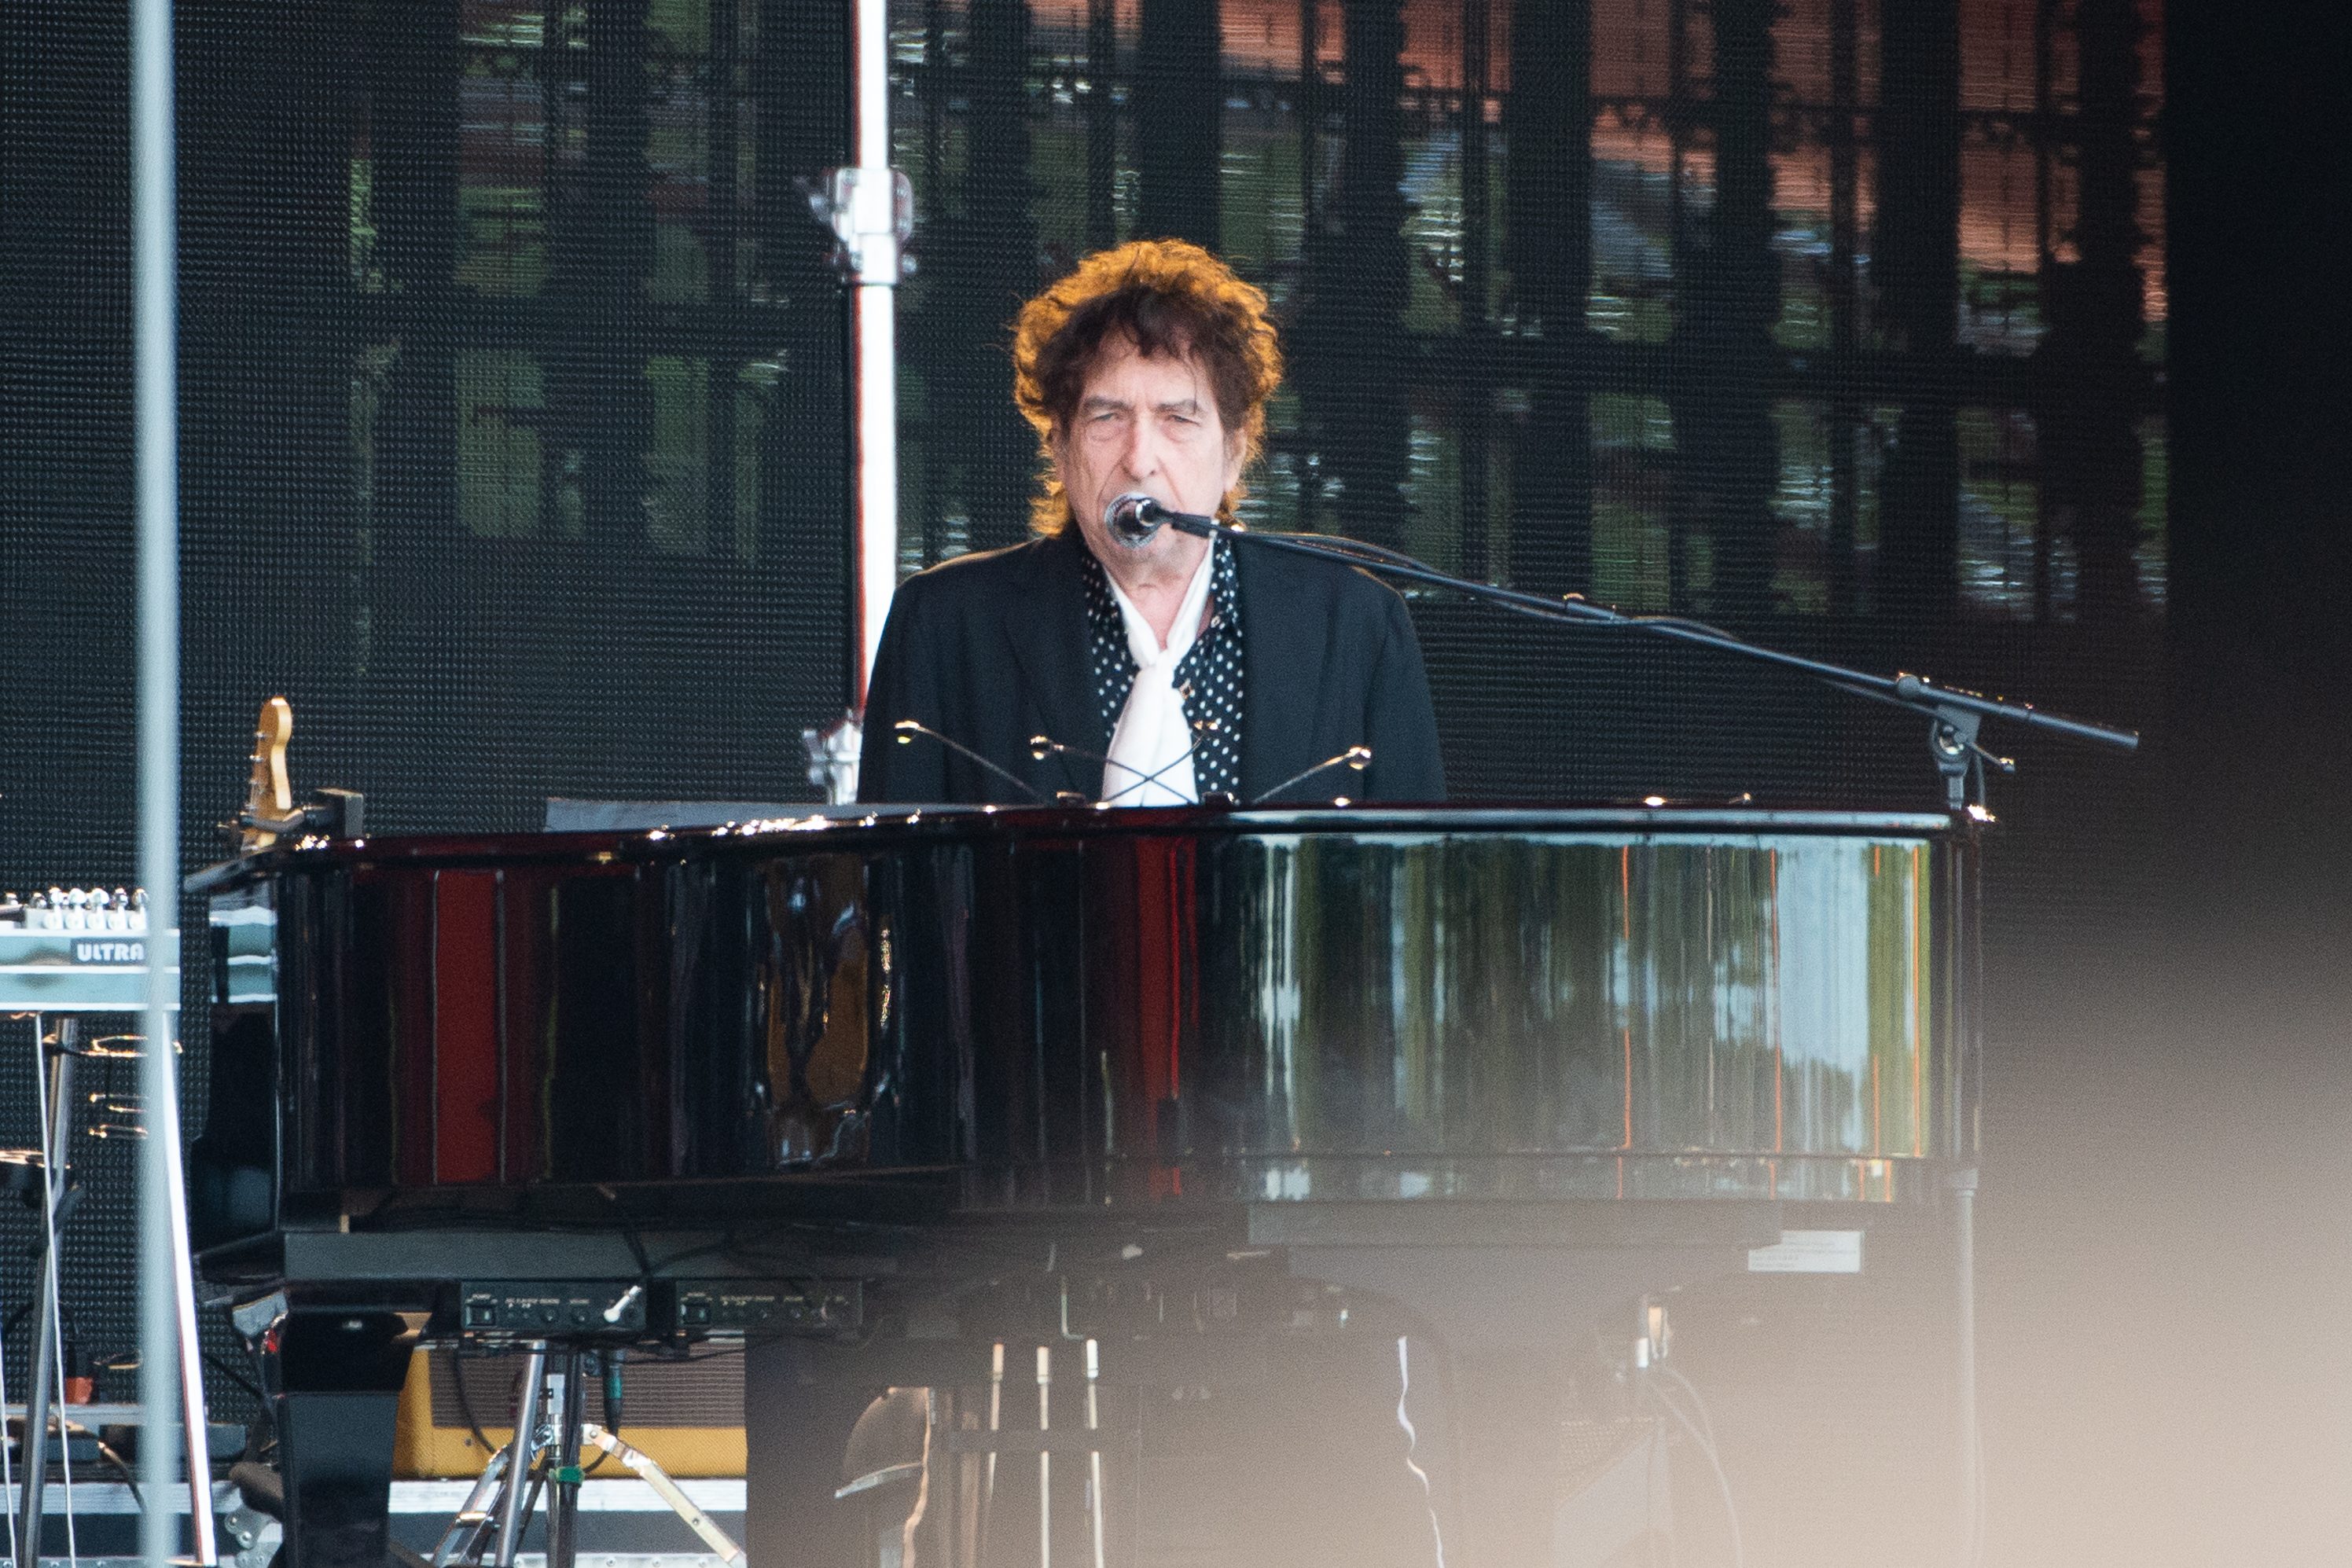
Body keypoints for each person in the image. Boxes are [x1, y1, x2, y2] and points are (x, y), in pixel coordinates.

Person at [858, 239, 1445, 806]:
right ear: (1059, 448)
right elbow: (890, 891)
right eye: (1107, 417)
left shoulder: (1357, 626)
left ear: (1235, 452)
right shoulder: (943, 624)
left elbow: (1412, 887)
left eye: (1177, 419)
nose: (1140, 459)